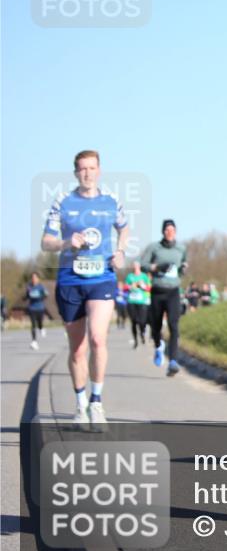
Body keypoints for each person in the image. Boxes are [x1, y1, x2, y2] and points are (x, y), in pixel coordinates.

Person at [41, 150, 129, 431]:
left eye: (92, 168)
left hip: (102, 276)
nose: (87, 173)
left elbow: (124, 228)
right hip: (70, 279)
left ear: (99, 170)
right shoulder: (63, 202)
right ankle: (80, 404)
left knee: (97, 340)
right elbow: (46, 241)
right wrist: (68, 243)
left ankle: (96, 402)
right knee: (77, 349)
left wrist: (121, 251)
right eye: (82, 169)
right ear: (75, 172)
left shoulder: (111, 200)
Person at [141, 220, 188, 376]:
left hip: (173, 291)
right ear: (163, 231)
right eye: (167, 229)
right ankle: (158, 345)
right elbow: (143, 265)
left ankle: (173, 361)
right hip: (157, 290)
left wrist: (183, 269)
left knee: (174, 325)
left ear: (175, 232)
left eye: (172, 229)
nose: (170, 232)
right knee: (155, 326)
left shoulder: (181, 248)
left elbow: (183, 264)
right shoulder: (154, 248)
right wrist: (156, 267)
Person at [124, 260, 152, 347]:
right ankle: (135, 340)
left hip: (142, 301)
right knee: (134, 321)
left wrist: (142, 285)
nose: (135, 267)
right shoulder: (130, 276)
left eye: (137, 266)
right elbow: (124, 288)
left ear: (139, 267)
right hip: (131, 301)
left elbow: (149, 288)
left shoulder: (144, 276)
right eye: (134, 266)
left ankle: (142, 333)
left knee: (142, 321)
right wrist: (130, 286)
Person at [24, 272, 48, 349]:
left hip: (40, 308)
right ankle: (34, 342)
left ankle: (41, 328)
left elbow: (46, 295)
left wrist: (40, 296)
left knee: (40, 323)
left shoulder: (41, 287)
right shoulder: (29, 287)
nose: (34, 279)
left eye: (35, 277)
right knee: (33, 325)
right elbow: (27, 296)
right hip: (32, 308)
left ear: (38, 278)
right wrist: (25, 297)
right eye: (32, 277)